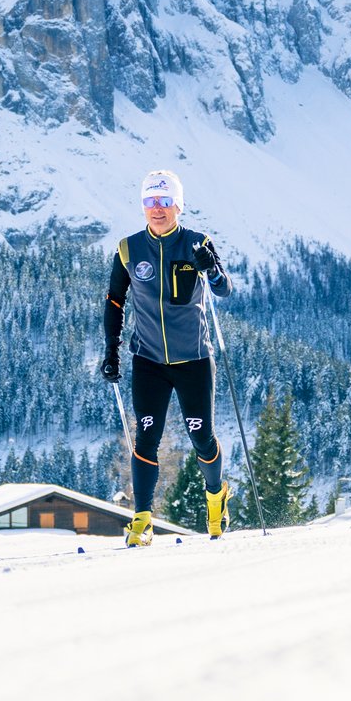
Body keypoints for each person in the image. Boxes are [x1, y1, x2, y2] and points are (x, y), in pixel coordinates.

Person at [100, 169, 233, 545]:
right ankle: (142, 519)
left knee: (201, 437)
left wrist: (211, 270)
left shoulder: (196, 243)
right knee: (146, 438)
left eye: (164, 201)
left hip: (193, 359)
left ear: (178, 205)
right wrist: (111, 350)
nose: (156, 209)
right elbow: (115, 300)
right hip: (148, 361)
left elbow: (223, 289)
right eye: (150, 201)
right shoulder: (128, 249)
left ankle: (216, 496)